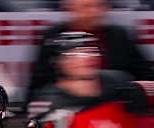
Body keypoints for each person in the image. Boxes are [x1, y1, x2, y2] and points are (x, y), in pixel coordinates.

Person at [25, 0, 154, 103]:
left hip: (115, 109)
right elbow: (37, 85)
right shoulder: (53, 38)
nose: (93, 12)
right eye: (86, 7)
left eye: (98, 6)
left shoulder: (119, 36)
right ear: (70, 7)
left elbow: (144, 76)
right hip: (67, 110)